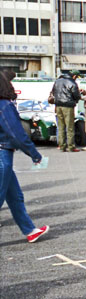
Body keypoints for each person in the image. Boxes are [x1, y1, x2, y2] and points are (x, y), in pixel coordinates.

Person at [0, 69, 49, 243]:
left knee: (15, 196)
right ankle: (29, 230)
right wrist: (35, 154)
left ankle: (30, 230)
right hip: (2, 154)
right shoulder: (4, 106)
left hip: (3, 154)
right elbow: (17, 134)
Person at [52, 70, 81, 152]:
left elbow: (53, 92)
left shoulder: (57, 81)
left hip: (58, 106)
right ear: (74, 76)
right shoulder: (72, 83)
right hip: (68, 106)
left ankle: (62, 146)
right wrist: (76, 100)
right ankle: (71, 146)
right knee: (70, 127)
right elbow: (76, 95)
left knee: (61, 126)